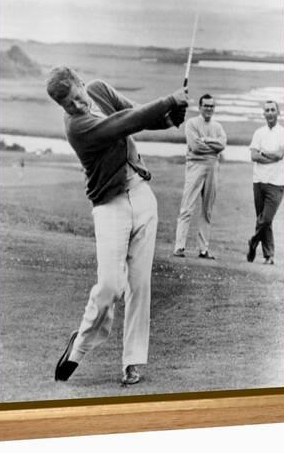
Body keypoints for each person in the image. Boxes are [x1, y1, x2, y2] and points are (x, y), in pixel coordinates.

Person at [46, 67, 188, 385]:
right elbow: (123, 124)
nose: (78, 106)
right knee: (110, 285)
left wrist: (169, 118)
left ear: (83, 85)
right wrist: (168, 99)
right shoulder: (78, 127)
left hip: (141, 195)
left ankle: (133, 362)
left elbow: (133, 112)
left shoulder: (99, 89)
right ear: (63, 108)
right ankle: (78, 347)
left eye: (78, 97)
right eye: (69, 105)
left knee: (140, 286)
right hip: (110, 206)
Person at [173, 94, 226, 259]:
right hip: (195, 166)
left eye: (212, 106)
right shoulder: (192, 123)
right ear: (200, 107)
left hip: (212, 168)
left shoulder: (217, 126)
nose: (209, 109)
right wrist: (213, 147)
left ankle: (203, 249)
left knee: (207, 209)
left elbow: (222, 144)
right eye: (206, 106)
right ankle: (179, 247)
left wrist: (206, 140)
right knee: (187, 207)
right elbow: (195, 146)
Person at [247, 100, 284, 264]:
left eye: (272, 110)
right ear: (264, 114)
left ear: (278, 113)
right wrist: (270, 156)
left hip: (276, 182)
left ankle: (253, 241)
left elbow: (279, 155)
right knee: (262, 219)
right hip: (258, 181)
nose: (270, 113)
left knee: (266, 219)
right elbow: (254, 156)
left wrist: (264, 153)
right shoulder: (259, 133)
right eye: (267, 110)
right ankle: (269, 256)